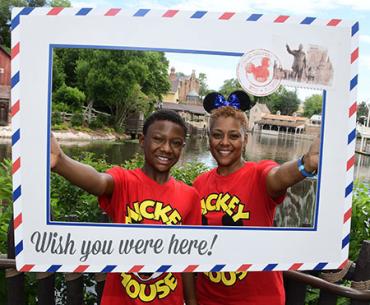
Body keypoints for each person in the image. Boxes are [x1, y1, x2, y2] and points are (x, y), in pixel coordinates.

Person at [51, 109, 201, 305]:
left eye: (175, 143)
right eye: (158, 139)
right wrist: (61, 162)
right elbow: (98, 181)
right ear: (141, 140)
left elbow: (189, 258)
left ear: (182, 147)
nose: (166, 148)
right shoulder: (124, 181)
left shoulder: (190, 196)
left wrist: (191, 301)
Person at [193, 91, 319, 305]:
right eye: (217, 135)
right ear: (209, 138)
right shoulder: (199, 184)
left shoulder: (259, 174)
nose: (225, 142)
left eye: (234, 136)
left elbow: (278, 177)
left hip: (259, 298)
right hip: (208, 297)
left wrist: (305, 165)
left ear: (246, 139)